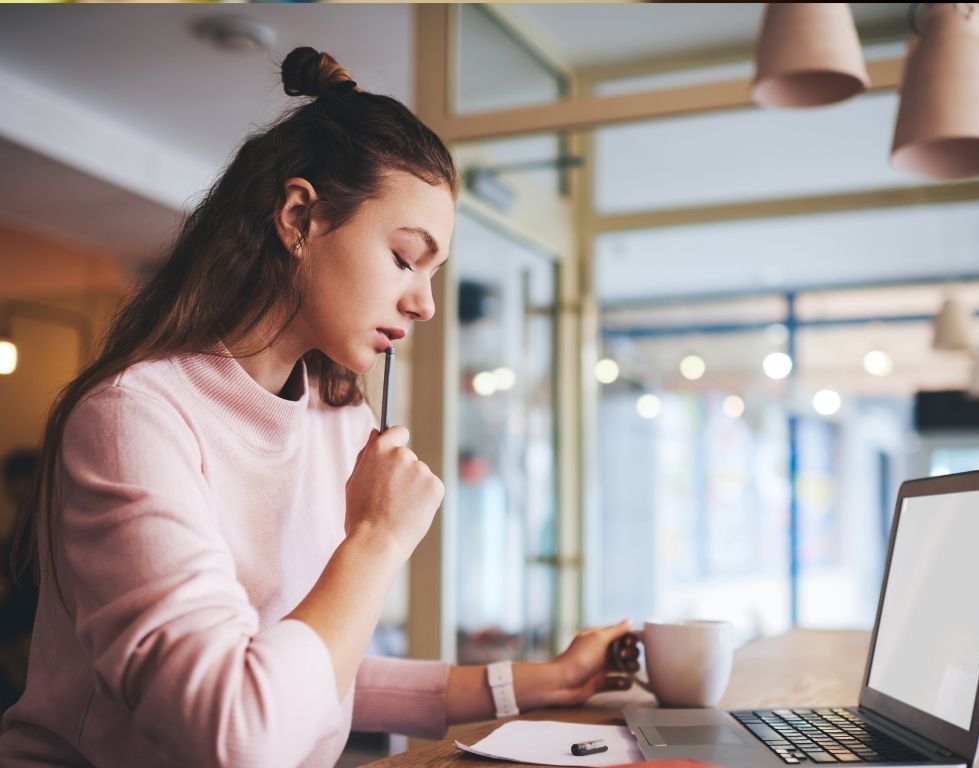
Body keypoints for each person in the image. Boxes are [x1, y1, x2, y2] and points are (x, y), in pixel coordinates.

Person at [0, 47, 646, 768]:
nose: (425, 303)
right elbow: (235, 730)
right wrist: (374, 540)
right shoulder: (135, 418)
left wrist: (542, 680)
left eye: (434, 272)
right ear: (299, 216)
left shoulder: (337, 421)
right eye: (406, 258)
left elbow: (313, 677)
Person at [0, 449, 39, 713]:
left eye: (18, 480)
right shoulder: (25, 517)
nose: (12, 488)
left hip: (32, 604)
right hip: (24, 602)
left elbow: (22, 567)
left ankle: (11, 703)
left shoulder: (38, 517)